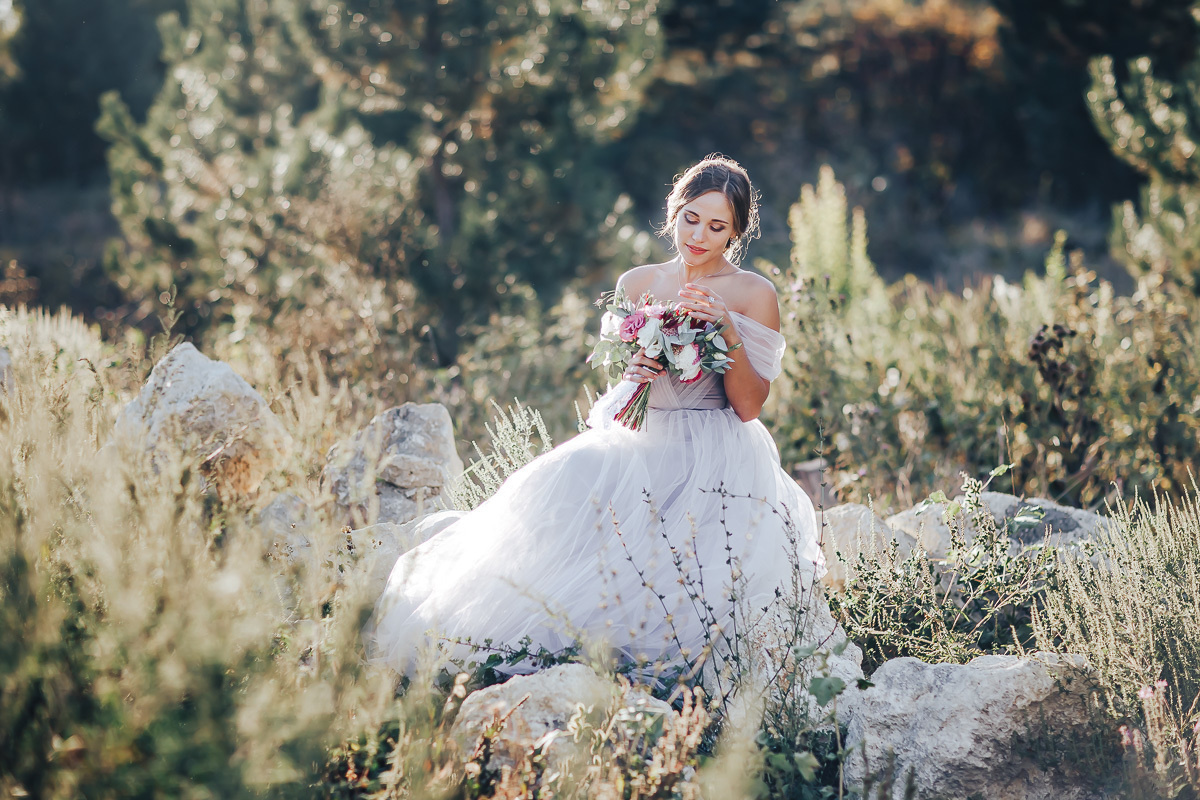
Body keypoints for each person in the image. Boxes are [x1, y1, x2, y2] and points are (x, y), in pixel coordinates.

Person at [367, 155, 825, 681]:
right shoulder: (638, 283)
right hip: (641, 441)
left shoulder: (753, 293)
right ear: (673, 212)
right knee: (558, 506)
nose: (699, 235)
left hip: (716, 452)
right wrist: (637, 370)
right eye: (690, 218)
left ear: (736, 232)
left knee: (699, 585)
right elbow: (621, 389)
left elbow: (749, 405)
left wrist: (725, 330)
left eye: (717, 226)